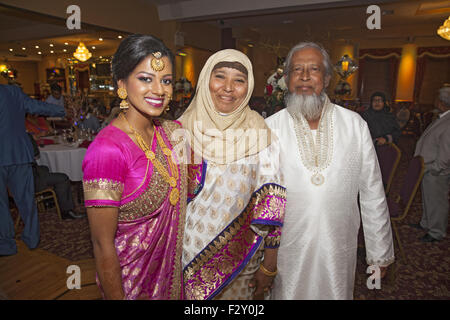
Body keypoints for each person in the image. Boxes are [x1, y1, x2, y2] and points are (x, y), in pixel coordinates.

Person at [265, 42, 394, 300]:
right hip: (287, 248)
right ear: (287, 79)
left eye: (313, 69)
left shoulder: (354, 125)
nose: (304, 77)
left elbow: (372, 192)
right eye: (296, 70)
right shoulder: (268, 128)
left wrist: (379, 253)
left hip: (337, 245)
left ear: (325, 78)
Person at [82, 34, 186, 300]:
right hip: (131, 286)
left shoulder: (172, 134)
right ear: (121, 84)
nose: (159, 90)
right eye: (145, 79)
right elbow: (102, 244)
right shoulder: (107, 151)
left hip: (173, 280)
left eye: (166, 81)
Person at [180, 49, 286, 300]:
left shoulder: (262, 135)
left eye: (239, 79)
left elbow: (274, 206)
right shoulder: (181, 130)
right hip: (184, 258)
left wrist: (269, 264)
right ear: (206, 80)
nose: (228, 87)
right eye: (220, 76)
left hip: (241, 260)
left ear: (248, 87)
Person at [0, 84, 65, 256]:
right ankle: (31, 238)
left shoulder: (11, 91)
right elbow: (36, 106)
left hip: (13, 155)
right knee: (26, 200)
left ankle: (6, 244)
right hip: (18, 153)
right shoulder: (11, 91)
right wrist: (61, 110)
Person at [412, 87, 450, 242]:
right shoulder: (442, 117)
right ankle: (426, 223)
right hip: (427, 168)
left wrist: (435, 169)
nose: (434, 101)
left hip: (435, 171)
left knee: (437, 201)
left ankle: (436, 232)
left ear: (442, 102)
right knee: (428, 198)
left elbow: (446, 153)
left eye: (436, 98)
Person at [28, 133, 83, 220]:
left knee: (45, 168)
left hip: (14, 180)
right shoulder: (23, 136)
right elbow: (35, 153)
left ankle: (50, 201)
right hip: (29, 180)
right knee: (63, 178)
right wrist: (29, 136)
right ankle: (66, 211)